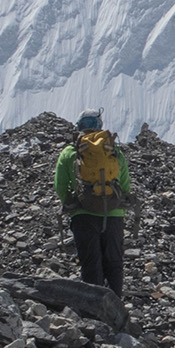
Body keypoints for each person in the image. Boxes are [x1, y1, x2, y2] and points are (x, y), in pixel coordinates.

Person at [54, 110, 130, 295]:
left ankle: (95, 312)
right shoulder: (113, 150)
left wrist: (74, 205)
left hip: (83, 215)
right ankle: (115, 309)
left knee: (90, 263)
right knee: (114, 263)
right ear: (99, 126)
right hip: (113, 215)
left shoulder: (70, 152)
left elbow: (60, 185)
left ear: (79, 126)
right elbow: (125, 184)